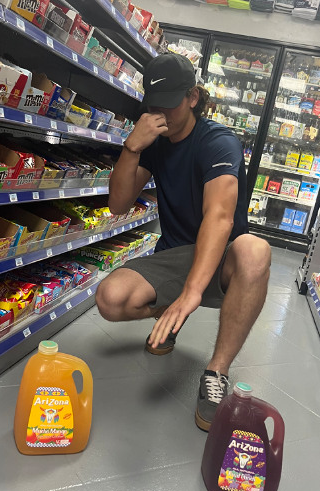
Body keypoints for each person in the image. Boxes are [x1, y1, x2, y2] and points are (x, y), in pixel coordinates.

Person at [96, 53, 271, 431]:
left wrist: (192, 292)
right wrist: (131, 148)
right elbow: (118, 205)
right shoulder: (154, 142)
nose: (161, 114)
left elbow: (219, 218)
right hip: (175, 253)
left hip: (223, 255)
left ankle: (217, 372)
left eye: (170, 103)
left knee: (256, 250)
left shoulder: (218, 142)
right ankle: (170, 317)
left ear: (193, 97)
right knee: (110, 299)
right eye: (154, 105)